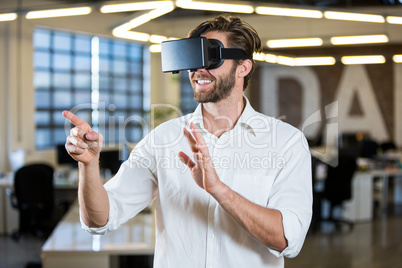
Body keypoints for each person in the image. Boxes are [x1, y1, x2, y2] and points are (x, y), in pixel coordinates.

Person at [63, 15, 312, 268]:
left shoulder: (286, 143)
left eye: (211, 57)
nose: (198, 70)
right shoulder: (163, 139)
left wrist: (220, 191)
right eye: (193, 59)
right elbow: (100, 219)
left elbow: (287, 239)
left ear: (243, 67)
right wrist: (88, 165)